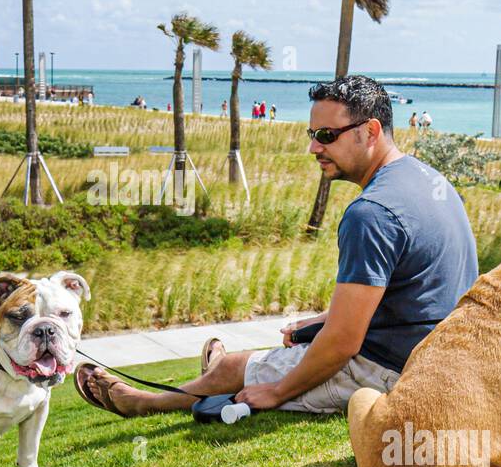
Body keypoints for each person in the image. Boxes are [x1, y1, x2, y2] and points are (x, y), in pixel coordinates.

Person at [77, 75, 479, 417]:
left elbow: (343, 343)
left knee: (234, 367)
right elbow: (411, 291)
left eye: (326, 136)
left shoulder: (370, 213)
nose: (314, 148)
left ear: (369, 131)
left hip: (390, 371)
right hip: (435, 358)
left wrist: (278, 391)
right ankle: (226, 371)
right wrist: (323, 321)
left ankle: (146, 402)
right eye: (312, 135)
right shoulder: (428, 180)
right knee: (294, 342)